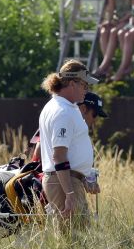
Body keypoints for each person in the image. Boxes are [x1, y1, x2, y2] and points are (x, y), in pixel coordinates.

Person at [38, 59, 100, 220]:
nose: (86, 90)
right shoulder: (63, 111)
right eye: (85, 85)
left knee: (80, 238)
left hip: (68, 181)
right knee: (72, 239)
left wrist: (84, 176)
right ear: (73, 83)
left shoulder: (62, 106)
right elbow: (59, 155)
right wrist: (69, 193)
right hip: (64, 183)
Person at [29, 92, 108, 162]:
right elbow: (39, 153)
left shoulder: (75, 127)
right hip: (53, 176)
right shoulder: (63, 121)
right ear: (83, 109)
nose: (96, 120)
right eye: (94, 115)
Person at [94, 0, 134, 79]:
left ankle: (106, 65)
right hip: (118, 19)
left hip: (129, 19)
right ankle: (107, 66)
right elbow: (112, 9)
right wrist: (108, 21)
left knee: (114, 32)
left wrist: (120, 21)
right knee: (104, 31)